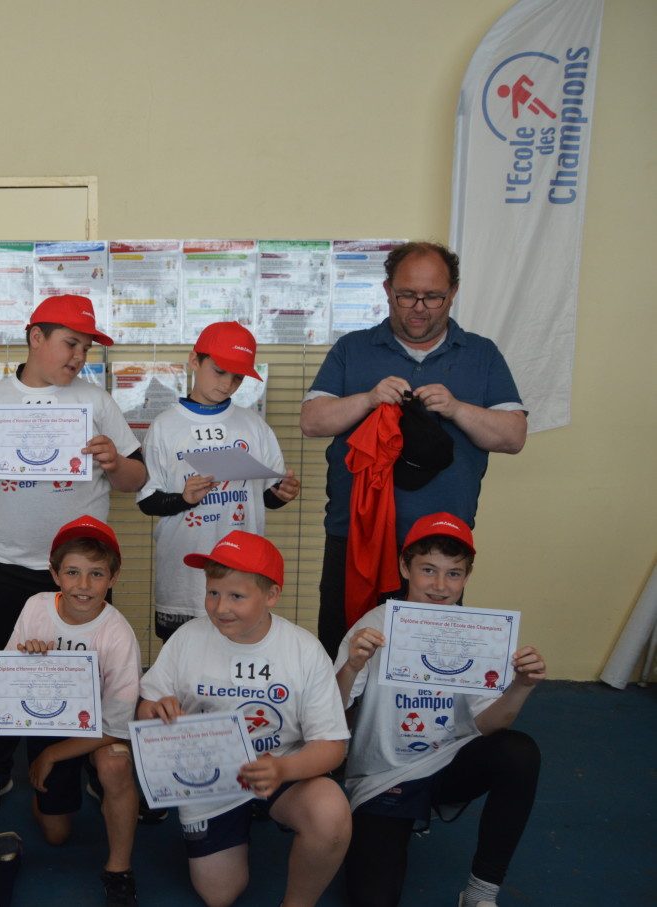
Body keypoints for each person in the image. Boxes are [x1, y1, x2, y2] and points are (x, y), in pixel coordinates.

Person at [0, 294, 146, 812]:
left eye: (86, 348)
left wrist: (114, 461)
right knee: (10, 674)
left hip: (83, 574)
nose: (79, 356)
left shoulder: (96, 401)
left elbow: (136, 479)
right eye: (71, 343)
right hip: (8, 565)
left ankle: (87, 760)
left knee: (89, 674)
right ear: (36, 338)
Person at [299, 241, 527, 657]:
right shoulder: (352, 348)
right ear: (388, 290)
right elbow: (312, 421)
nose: (419, 308)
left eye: (433, 296)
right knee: (344, 650)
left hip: (442, 546)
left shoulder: (482, 353)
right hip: (355, 535)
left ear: (453, 292)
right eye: (407, 295)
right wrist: (368, 399)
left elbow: (513, 437)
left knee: (430, 661)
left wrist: (456, 408)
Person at [335, 512, 545, 907]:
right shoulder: (375, 625)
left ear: (467, 576)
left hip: (449, 762)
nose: (440, 585)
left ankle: (480, 893)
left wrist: (521, 686)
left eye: (454, 574)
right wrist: (352, 665)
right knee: (372, 899)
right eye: (428, 569)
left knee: (519, 752)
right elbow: (332, 708)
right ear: (405, 567)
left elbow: (489, 725)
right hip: (383, 775)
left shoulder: (479, 634)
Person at [137, 531, 350, 907]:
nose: (221, 607)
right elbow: (147, 706)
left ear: (271, 595)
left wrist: (282, 769)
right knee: (219, 895)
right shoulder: (187, 638)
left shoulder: (303, 650)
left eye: (237, 596)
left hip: (278, 767)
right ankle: (233, 820)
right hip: (209, 776)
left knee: (330, 813)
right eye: (213, 592)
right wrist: (155, 709)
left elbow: (332, 745)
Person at [5, 515, 143, 907]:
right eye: (72, 572)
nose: (83, 585)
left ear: (113, 578)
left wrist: (53, 754)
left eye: (96, 574)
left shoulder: (118, 634)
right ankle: (61, 790)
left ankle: (119, 870)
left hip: (100, 731)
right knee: (56, 836)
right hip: (49, 722)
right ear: (54, 574)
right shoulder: (35, 608)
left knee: (115, 766)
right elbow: (8, 684)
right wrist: (26, 660)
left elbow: (117, 726)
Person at [136, 321, 300, 640]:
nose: (227, 384)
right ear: (194, 361)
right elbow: (147, 501)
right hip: (183, 578)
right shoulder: (165, 426)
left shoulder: (254, 426)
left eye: (237, 377)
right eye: (219, 371)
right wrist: (183, 499)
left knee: (236, 659)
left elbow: (265, 497)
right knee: (183, 661)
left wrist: (282, 493)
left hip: (242, 575)